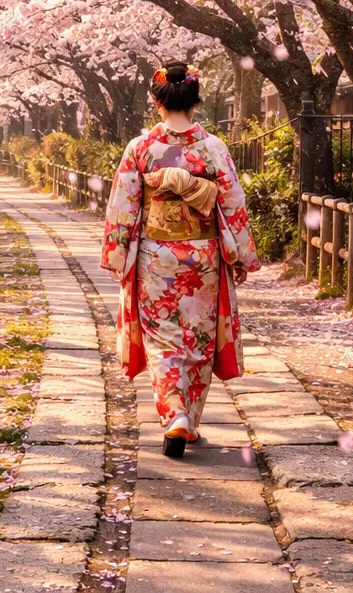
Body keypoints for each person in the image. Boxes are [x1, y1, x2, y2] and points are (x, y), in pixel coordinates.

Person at [101, 63, 260, 459]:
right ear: (197, 101)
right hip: (203, 255)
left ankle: (175, 416)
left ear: (156, 103)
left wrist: (117, 252)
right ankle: (190, 418)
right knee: (198, 338)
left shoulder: (140, 149)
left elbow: (123, 205)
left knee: (163, 340)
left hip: (156, 257)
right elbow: (233, 203)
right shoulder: (213, 148)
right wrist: (240, 253)